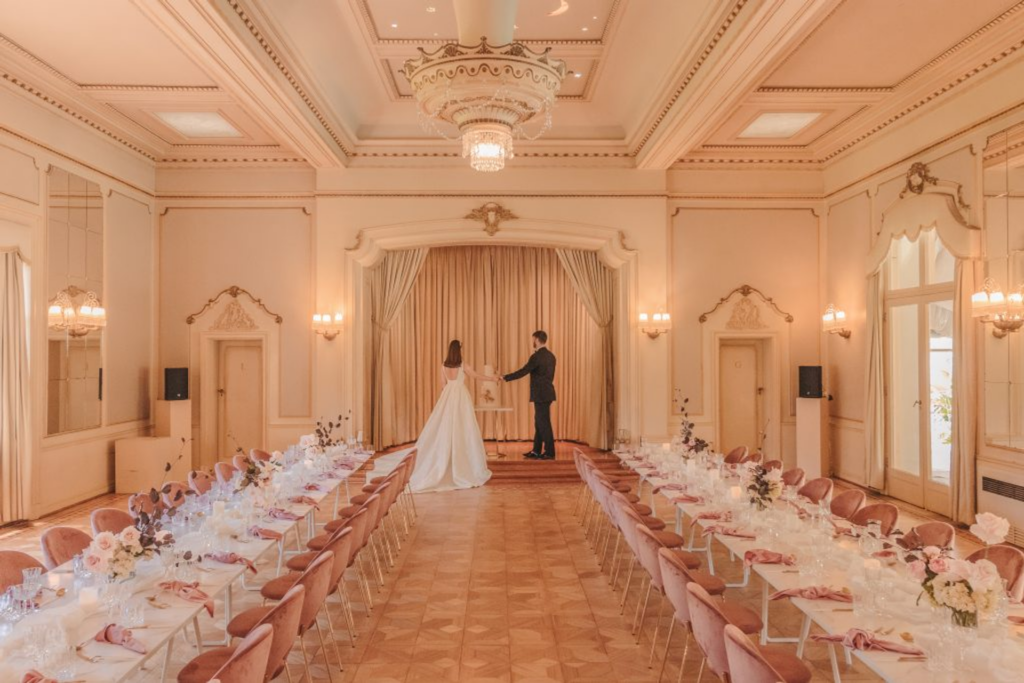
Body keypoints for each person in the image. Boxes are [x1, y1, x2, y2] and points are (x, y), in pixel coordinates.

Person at [409, 339, 497, 492]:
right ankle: (462, 463)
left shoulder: (443, 366)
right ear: (459, 350)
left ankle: (447, 457)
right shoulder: (462, 365)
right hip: (461, 397)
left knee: (445, 427)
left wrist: (447, 397)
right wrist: (492, 379)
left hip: (447, 396)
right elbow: (476, 376)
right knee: (464, 428)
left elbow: (443, 385)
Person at [501, 330, 556, 460]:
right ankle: (536, 451)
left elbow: (523, 371)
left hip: (540, 394)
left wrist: (505, 377)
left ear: (536, 340)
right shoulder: (551, 356)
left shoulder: (536, 357)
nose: (532, 342)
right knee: (539, 423)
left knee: (544, 423)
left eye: (533, 340)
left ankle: (549, 452)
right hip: (548, 393)